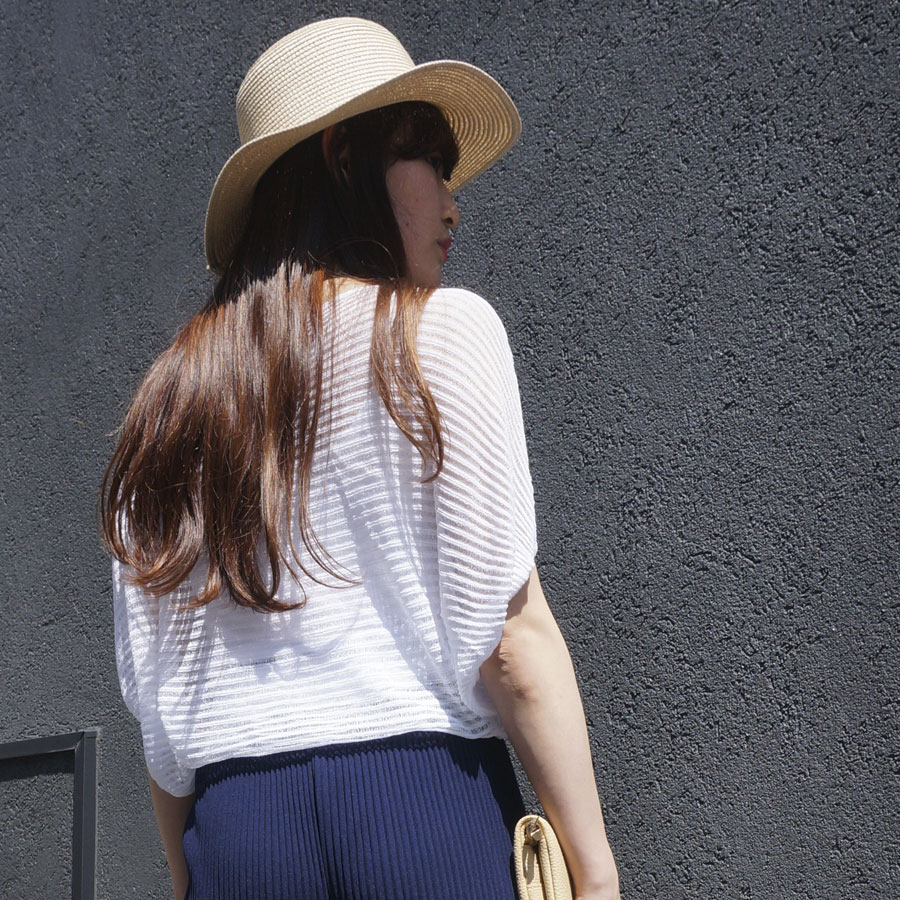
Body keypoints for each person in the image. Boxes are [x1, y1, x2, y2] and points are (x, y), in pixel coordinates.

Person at [102, 16, 620, 900]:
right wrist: (597, 876)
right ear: (343, 158)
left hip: (237, 830)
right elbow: (511, 643)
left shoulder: (169, 405)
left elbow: (159, 698)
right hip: (423, 809)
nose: (453, 204)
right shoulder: (442, 335)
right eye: (429, 162)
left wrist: (192, 877)